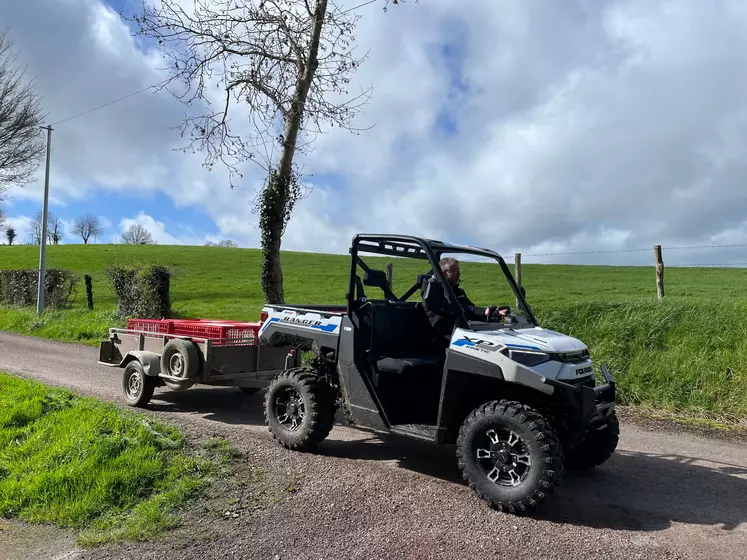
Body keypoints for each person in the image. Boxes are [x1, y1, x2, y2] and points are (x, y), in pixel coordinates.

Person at [420, 257, 510, 343]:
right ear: (444, 273)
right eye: (456, 272)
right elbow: (457, 309)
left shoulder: (457, 291)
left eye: (459, 271)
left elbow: (471, 309)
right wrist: (484, 312)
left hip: (460, 331)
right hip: (441, 337)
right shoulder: (432, 293)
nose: (459, 274)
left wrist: (493, 313)